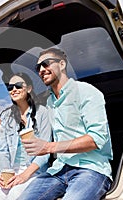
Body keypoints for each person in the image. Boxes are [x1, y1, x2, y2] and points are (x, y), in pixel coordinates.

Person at [19, 48, 113, 200]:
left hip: (89, 168)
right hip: (58, 170)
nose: (41, 70)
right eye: (38, 68)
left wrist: (49, 147)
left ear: (62, 64)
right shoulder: (49, 102)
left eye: (46, 64)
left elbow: (97, 138)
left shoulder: (86, 91)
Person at [0, 72, 51, 200]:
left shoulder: (42, 113)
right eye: (10, 88)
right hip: (11, 171)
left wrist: (24, 175)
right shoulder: (6, 116)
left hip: (34, 172)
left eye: (18, 86)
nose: (14, 90)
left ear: (29, 88)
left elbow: (45, 152)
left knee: (15, 194)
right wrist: (5, 173)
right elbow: (2, 150)